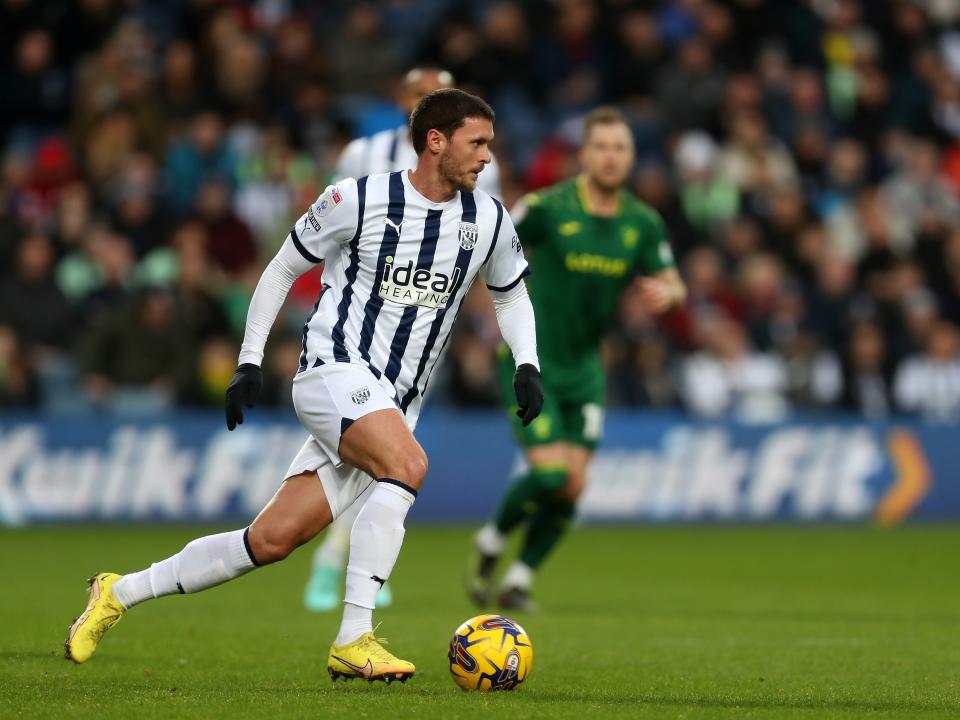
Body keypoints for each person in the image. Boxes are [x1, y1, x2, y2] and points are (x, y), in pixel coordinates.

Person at [64, 89, 543, 683]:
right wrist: (249, 361)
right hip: (333, 372)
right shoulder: (358, 198)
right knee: (409, 466)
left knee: (269, 541)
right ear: (435, 141)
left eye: (490, 146)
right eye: (477, 143)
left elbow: (512, 292)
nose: (487, 158)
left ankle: (118, 592)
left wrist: (527, 362)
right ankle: (354, 637)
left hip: (394, 402)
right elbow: (282, 268)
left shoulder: (487, 218)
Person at [467, 107, 687, 611]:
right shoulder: (549, 207)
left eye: (621, 148)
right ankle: (493, 541)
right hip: (532, 359)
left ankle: (520, 578)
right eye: (602, 147)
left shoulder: (642, 222)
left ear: (631, 157)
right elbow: (494, 240)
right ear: (584, 155)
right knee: (549, 475)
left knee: (572, 485)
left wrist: (669, 295)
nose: (611, 157)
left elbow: (673, 281)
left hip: (586, 367)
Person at [304, 67, 502, 613]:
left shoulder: (477, 161)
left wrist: (489, 322)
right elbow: (329, 234)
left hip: (423, 325)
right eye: (419, 94)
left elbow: (490, 242)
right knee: (389, 452)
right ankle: (350, 571)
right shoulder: (361, 157)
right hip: (356, 325)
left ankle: (341, 560)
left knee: (384, 451)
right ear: (406, 102)